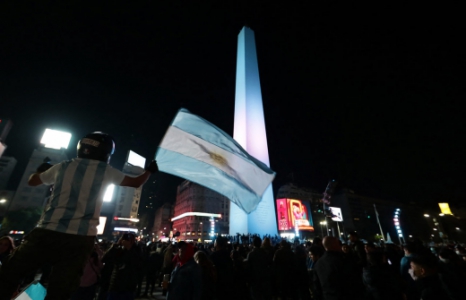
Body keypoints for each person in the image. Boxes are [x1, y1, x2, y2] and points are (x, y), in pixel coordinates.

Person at [0, 132, 159, 300]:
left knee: (9, 274)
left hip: (47, 230)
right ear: (107, 153)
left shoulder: (63, 166)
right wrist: (149, 170)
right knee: (61, 289)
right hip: (80, 238)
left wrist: (40, 170)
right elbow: (135, 182)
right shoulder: (106, 170)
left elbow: (32, 181)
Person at [106, 233, 143, 300]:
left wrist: (129, 248)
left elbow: (138, 265)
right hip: (115, 285)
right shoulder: (118, 250)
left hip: (128, 287)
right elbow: (105, 259)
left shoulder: (137, 251)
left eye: (128, 239)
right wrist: (116, 245)